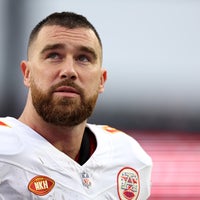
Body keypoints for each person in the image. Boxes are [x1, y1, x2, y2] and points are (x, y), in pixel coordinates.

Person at [0, 12, 152, 199]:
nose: (69, 71)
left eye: (84, 58)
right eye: (54, 55)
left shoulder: (129, 159)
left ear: (101, 80)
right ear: (27, 73)